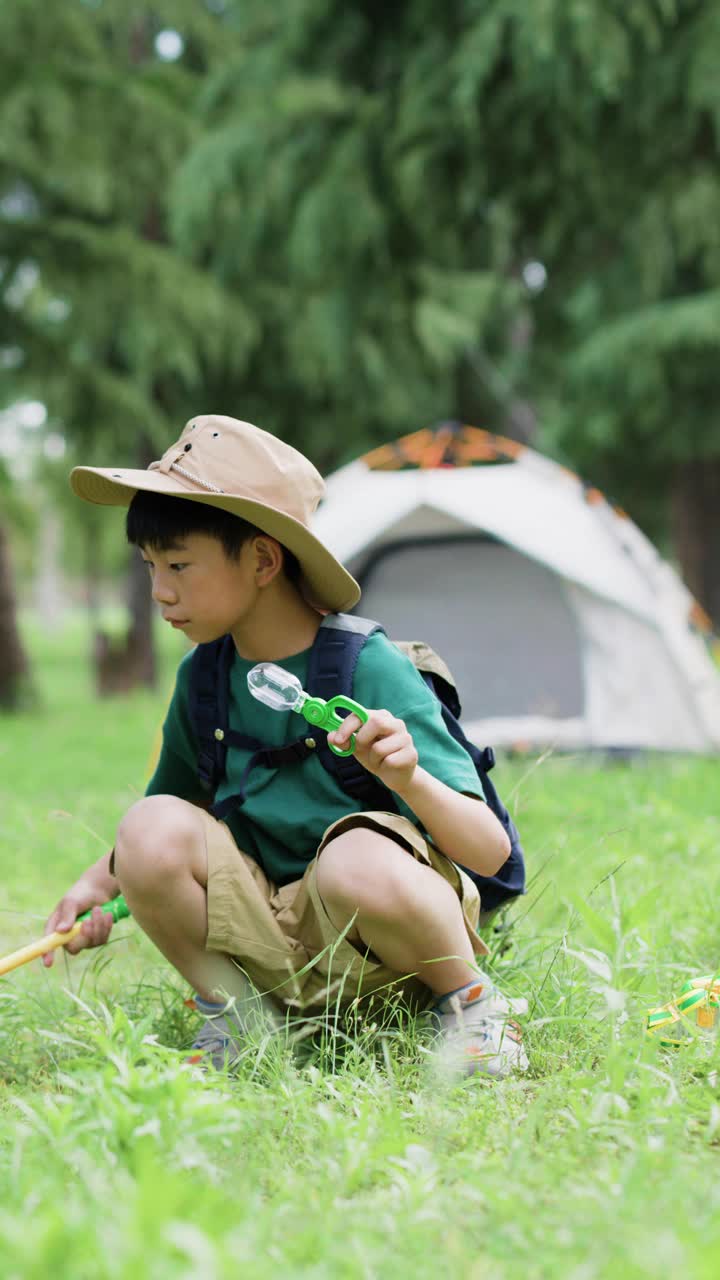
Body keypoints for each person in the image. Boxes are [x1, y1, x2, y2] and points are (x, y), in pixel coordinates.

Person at [44, 414, 527, 1077]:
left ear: (264, 559)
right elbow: (171, 814)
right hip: (271, 933)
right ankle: (242, 1019)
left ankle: (471, 1006)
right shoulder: (206, 678)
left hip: (382, 941)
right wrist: (93, 886)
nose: (160, 591)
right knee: (146, 829)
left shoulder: (371, 667)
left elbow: (488, 850)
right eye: (151, 565)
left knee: (353, 857)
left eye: (180, 564)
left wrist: (410, 778)